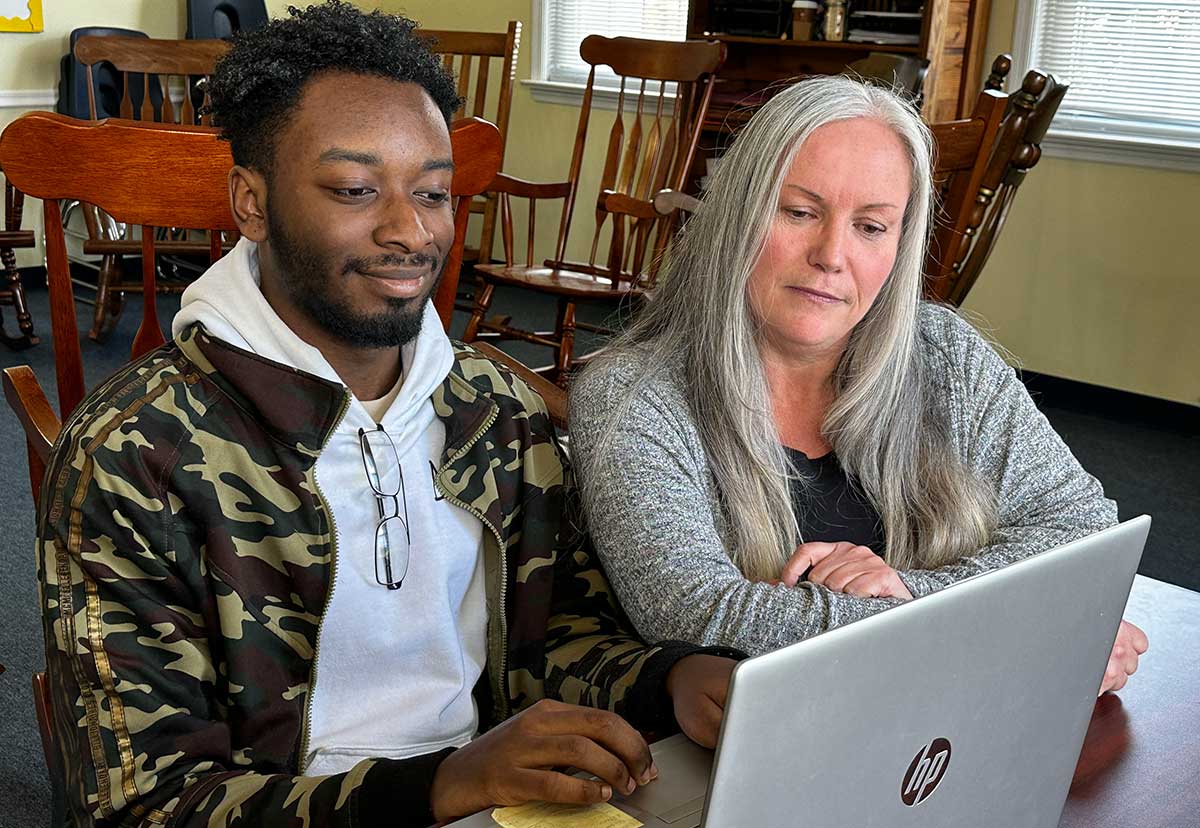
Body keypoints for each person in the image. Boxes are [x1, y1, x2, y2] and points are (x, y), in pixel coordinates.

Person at [35, 4, 739, 826]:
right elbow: (146, 808)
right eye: (354, 189)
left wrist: (670, 680)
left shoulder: (494, 411)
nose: (410, 230)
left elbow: (555, 639)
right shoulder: (136, 455)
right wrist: (440, 787)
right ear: (252, 203)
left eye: (434, 191)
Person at [569, 76, 1146, 688]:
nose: (831, 255)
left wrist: (908, 591)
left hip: (946, 729)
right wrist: (1033, 626)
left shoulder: (946, 352)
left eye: (871, 227)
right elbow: (698, 614)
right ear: (735, 216)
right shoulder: (632, 394)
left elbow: (1081, 529)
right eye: (798, 212)